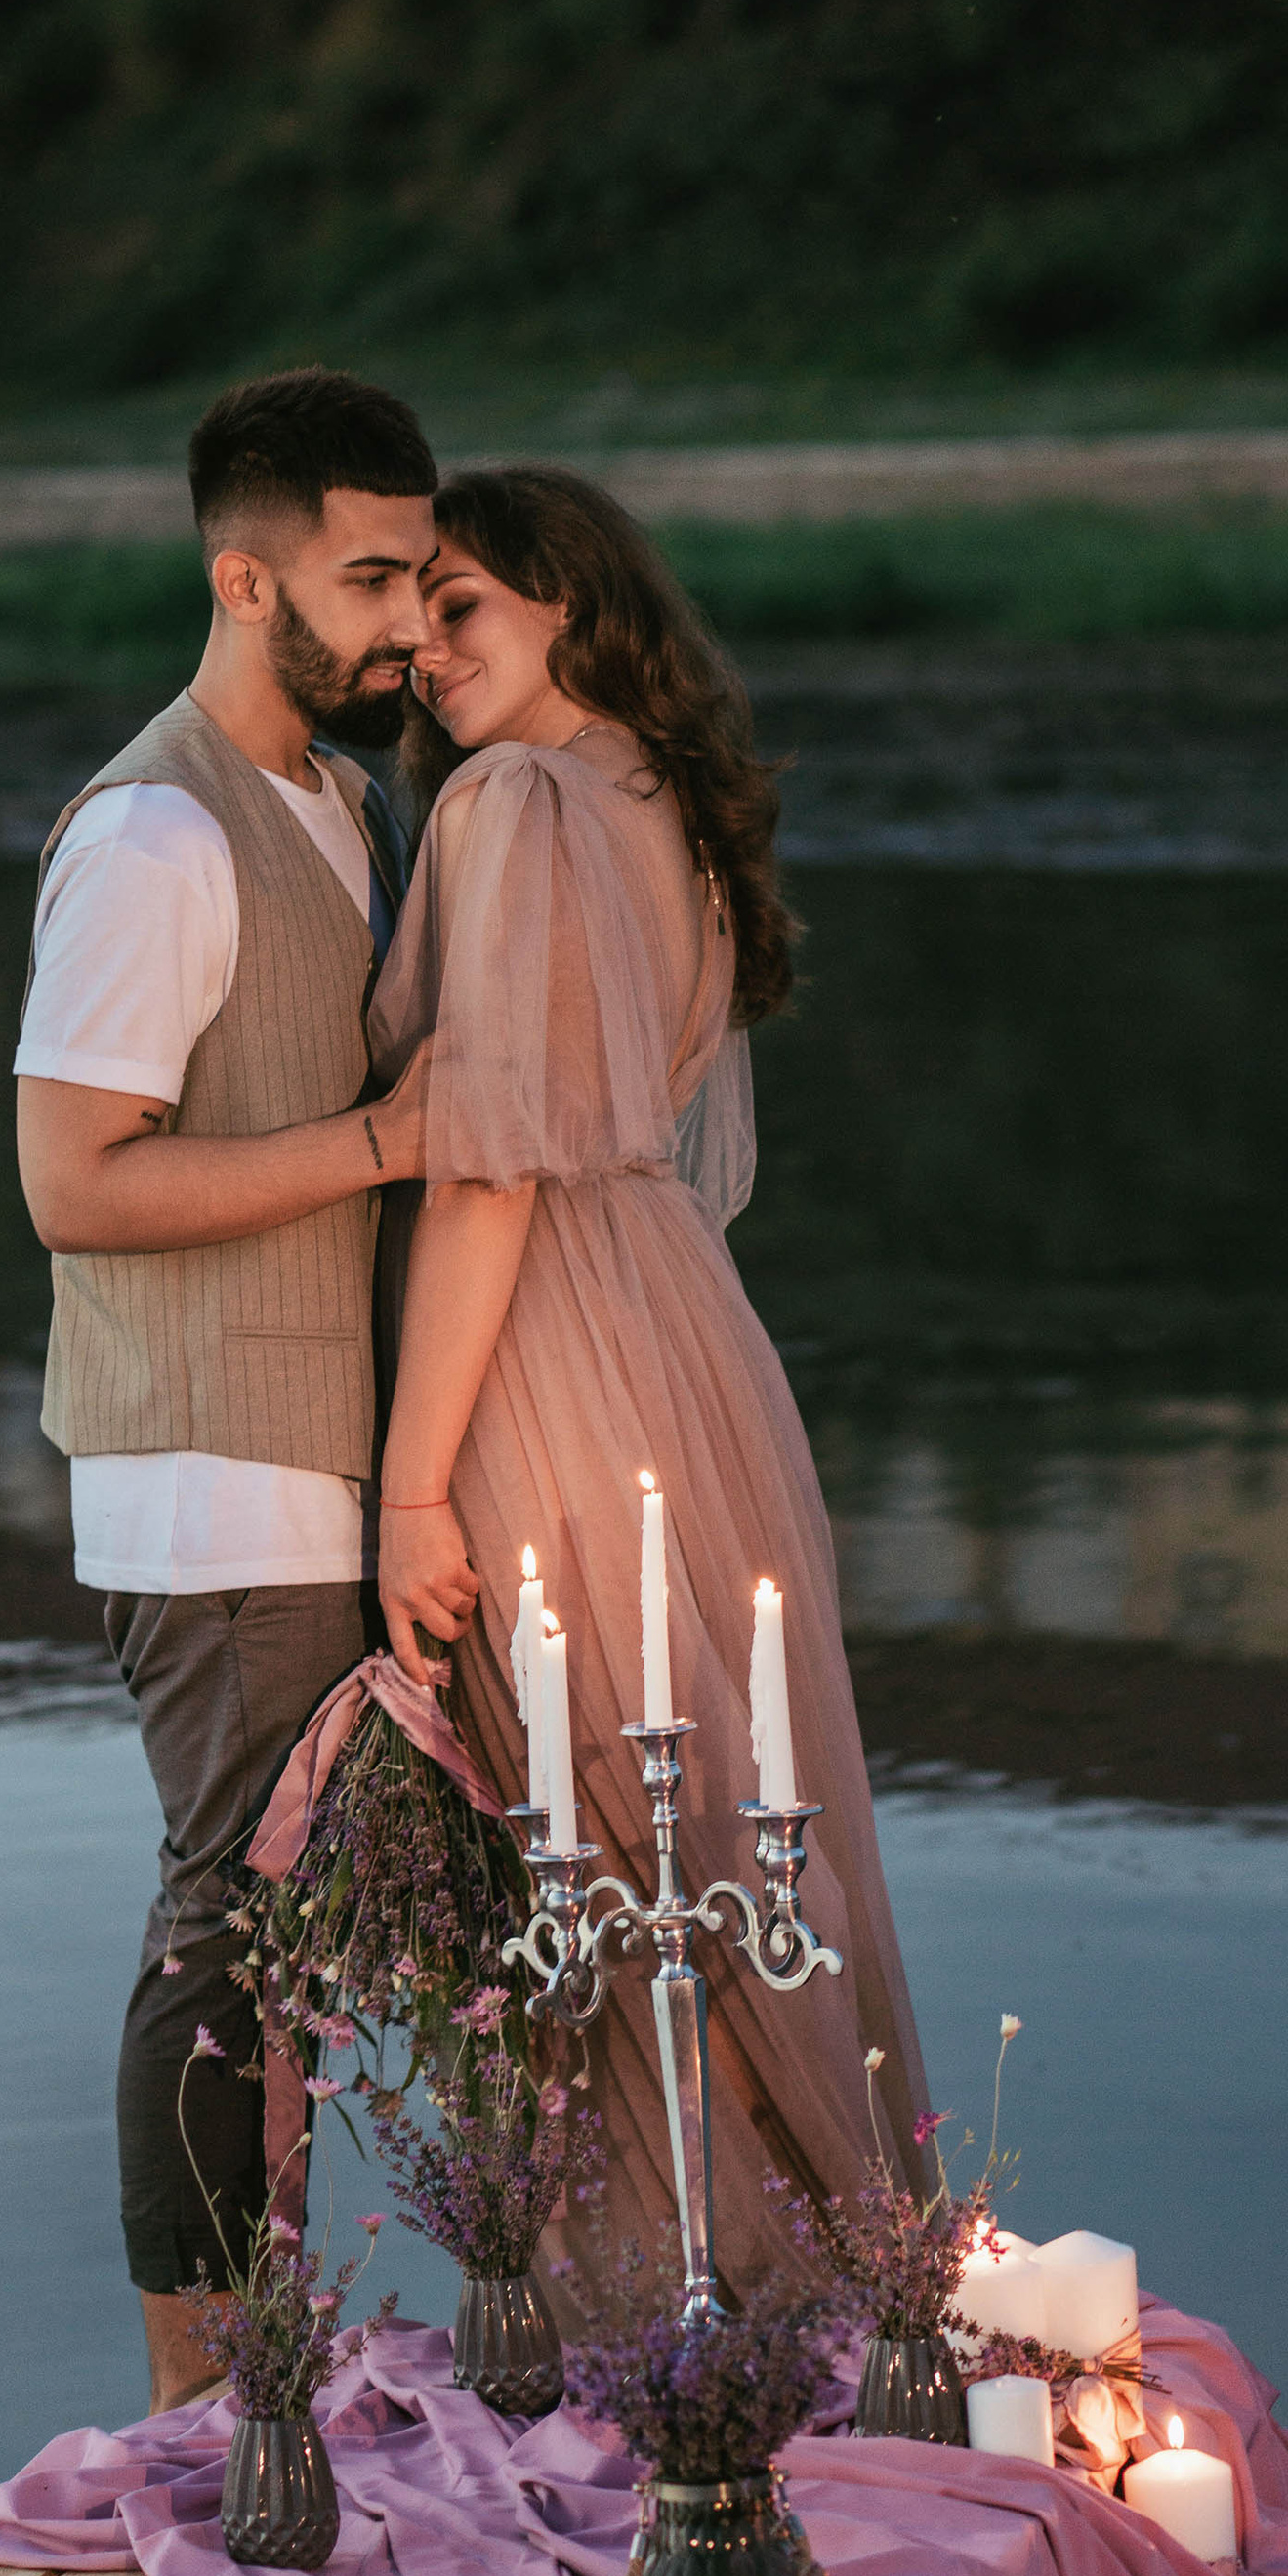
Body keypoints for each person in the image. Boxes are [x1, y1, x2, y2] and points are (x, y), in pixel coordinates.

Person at [368, 463, 931, 2269]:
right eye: (411, 614)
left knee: (602, 1827)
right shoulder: (665, 804)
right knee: (720, 1825)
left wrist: (411, 1484)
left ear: (570, 600)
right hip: (687, 1331)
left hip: (542, 1342)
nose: (423, 646)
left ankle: (677, 2312)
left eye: (461, 603)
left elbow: (489, 1165)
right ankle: (817, 2284)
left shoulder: (513, 797)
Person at [15, 367, 440, 2412]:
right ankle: (205, 2412)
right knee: (231, 1939)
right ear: (244, 581)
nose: (406, 622)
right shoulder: (153, 833)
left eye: (421, 578)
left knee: (293, 1949)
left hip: (315, 1461)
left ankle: (273, 2379)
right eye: (369, 580)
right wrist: (381, 1145)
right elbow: (71, 1183)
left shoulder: (339, 804)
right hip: (204, 1477)